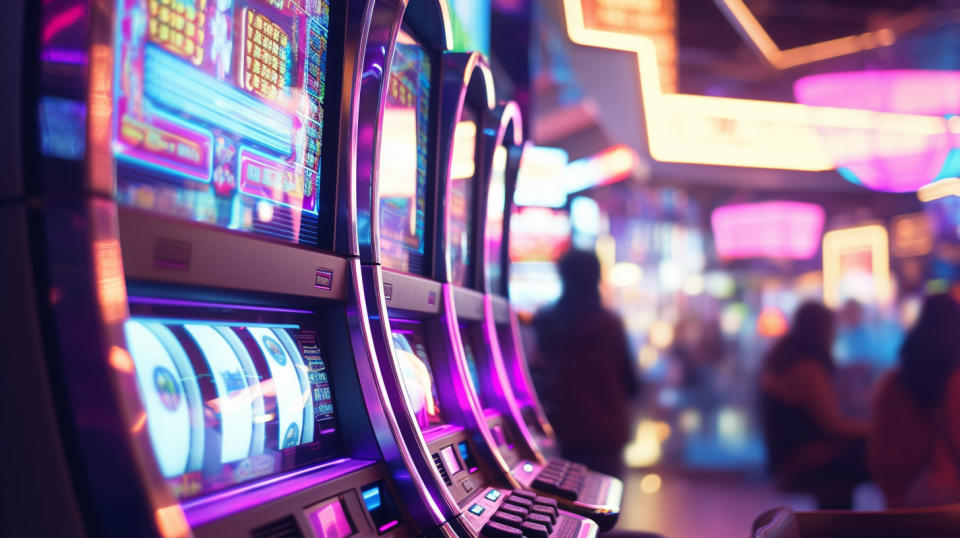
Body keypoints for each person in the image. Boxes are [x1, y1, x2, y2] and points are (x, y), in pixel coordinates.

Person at [531, 249, 638, 478]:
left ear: (563, 277)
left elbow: (536, 375)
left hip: (562, 432)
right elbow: (630, 384)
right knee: (604, 503)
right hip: (607, 433)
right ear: (597, 277)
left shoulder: (546, 321)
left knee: (562, 506)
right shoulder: (610, 324)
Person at [758, 301, 869, 509]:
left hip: (787, 459)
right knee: (879, 457)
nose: (834, 335)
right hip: (804, 459)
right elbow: (834, 425)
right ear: (820, 331)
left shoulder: (783, 362)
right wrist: (876, 430)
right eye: (831, 329)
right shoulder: (807, 369)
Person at [868, 294, 960, 508]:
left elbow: (879, 449)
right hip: (946, 492)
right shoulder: (954, 379)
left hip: (899, 492)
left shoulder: (892, 381)